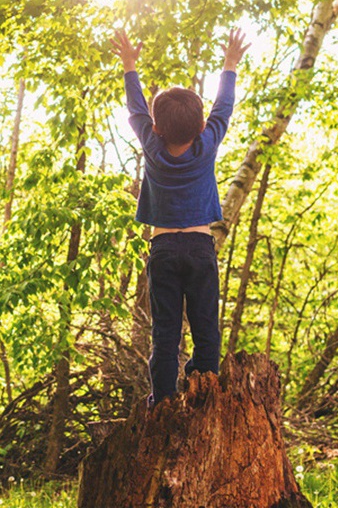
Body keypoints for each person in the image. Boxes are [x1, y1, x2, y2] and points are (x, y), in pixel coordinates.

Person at [111, 28, 250, 406]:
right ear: (202, 127)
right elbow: (224, 107)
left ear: (155, 128)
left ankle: (164, 398)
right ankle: (205, 391)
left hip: (164, 247)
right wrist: (230, 64)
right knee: (206, 327)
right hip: (201, 247)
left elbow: (136, 108)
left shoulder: (153, 145)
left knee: (166, 331)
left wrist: (129, 65)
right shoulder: (207, 144)